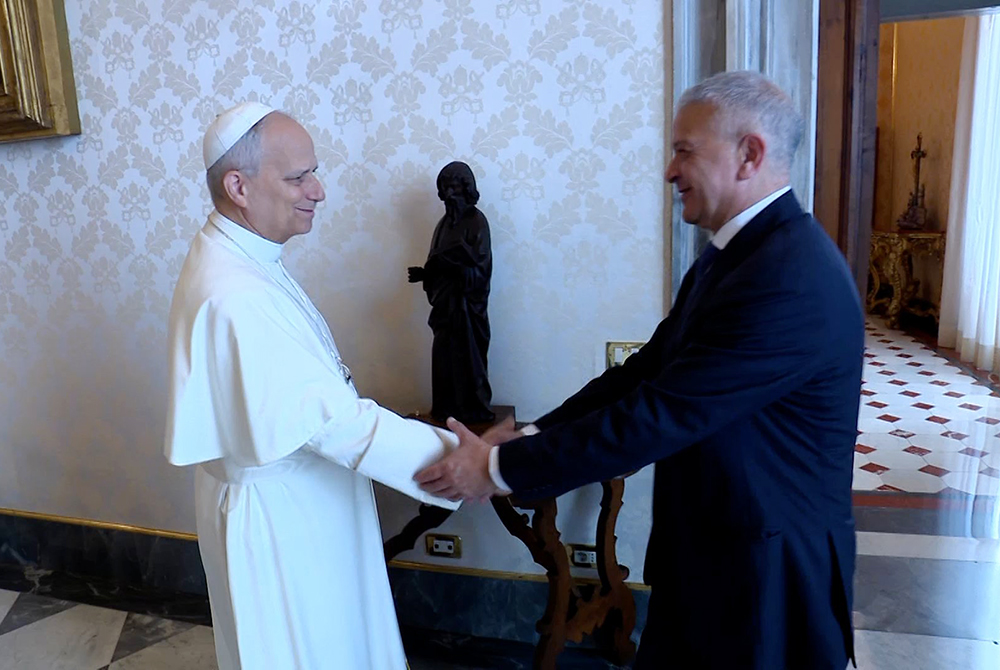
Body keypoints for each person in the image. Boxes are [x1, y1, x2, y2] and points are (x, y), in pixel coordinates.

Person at [416, 71, 863, 669]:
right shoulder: (736, 256)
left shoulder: (789, 277)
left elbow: (658, 415)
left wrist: (496, 470)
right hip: (712, 560)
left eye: (684, 150)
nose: (669, 170)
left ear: (749, 154)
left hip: (765, 580)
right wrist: (525, 437)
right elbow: (643, 375)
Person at [165, 101, 459, 670]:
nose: (318, 190)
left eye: (313, 172)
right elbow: (333, 421)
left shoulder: (241, 256)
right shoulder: (236, 291)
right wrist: (459, 461)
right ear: (239, 186)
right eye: (298, 177)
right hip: (282, 525)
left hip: (296, 504)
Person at [408, 161, 494, 424]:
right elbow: (437, 260)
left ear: (467, 189)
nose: (449, 194)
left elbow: (481, 269)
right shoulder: (443, 224)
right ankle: (446, 409)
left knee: (469, 361)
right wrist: (426, 273)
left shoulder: (477, 222)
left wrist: (455, 266)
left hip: (468, 310)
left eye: (454, 187)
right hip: (446, 309)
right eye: (444, 188)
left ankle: (474, 410)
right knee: (444, 360)